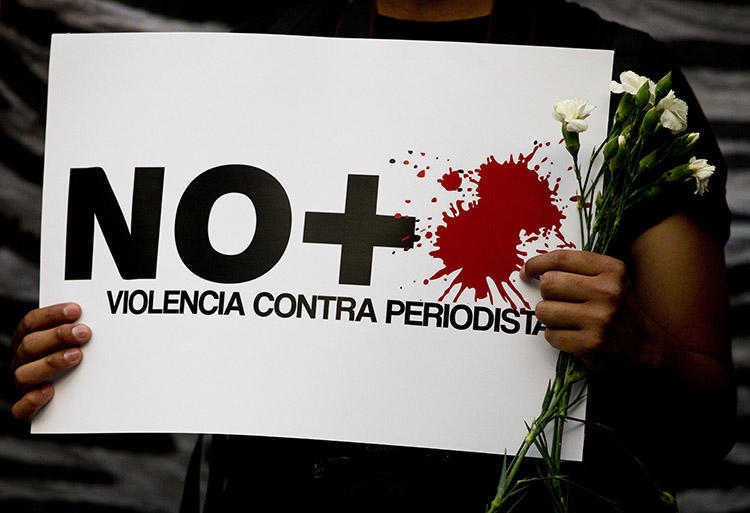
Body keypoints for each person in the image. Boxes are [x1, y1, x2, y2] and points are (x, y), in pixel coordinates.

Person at [10, 1, 735, 511]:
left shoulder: (624, 79)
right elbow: (171, 302)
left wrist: (642, 351)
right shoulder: (256, 55)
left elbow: (706, 429)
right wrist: (73, 358)